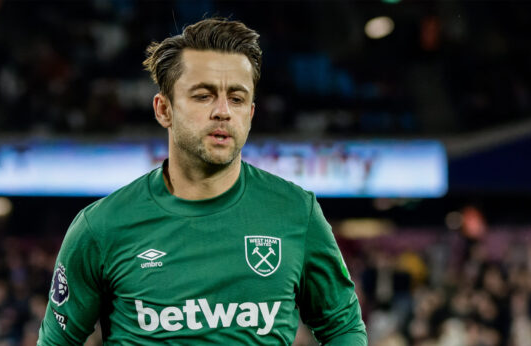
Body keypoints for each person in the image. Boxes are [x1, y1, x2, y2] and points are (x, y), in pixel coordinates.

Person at [37, 18, 367, 345]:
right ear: (163, 109)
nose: (223, 111)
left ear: (250, 114)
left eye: (236, 99)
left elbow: (343, 328)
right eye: (203, 96)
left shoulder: (297, 212)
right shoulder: (101, 227)